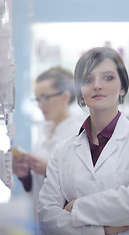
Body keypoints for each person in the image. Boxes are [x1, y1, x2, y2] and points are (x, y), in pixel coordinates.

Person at [37, 47, 129, 235]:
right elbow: (47, 218)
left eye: (108, 77)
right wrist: (101, 231)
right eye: (88, 79)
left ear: (123, 87)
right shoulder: (63, 152)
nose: (97, 85)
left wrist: (75, 207)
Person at [12, 66, 82, 234]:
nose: (40, 105)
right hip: (45, 225)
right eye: (37, 99)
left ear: (65, 95)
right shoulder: (44, 133)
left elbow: (85, 187)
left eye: (45, 98)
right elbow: (38, 190)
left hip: (71, 226)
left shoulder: (79, 132)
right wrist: (25, 176)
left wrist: (50, 169)